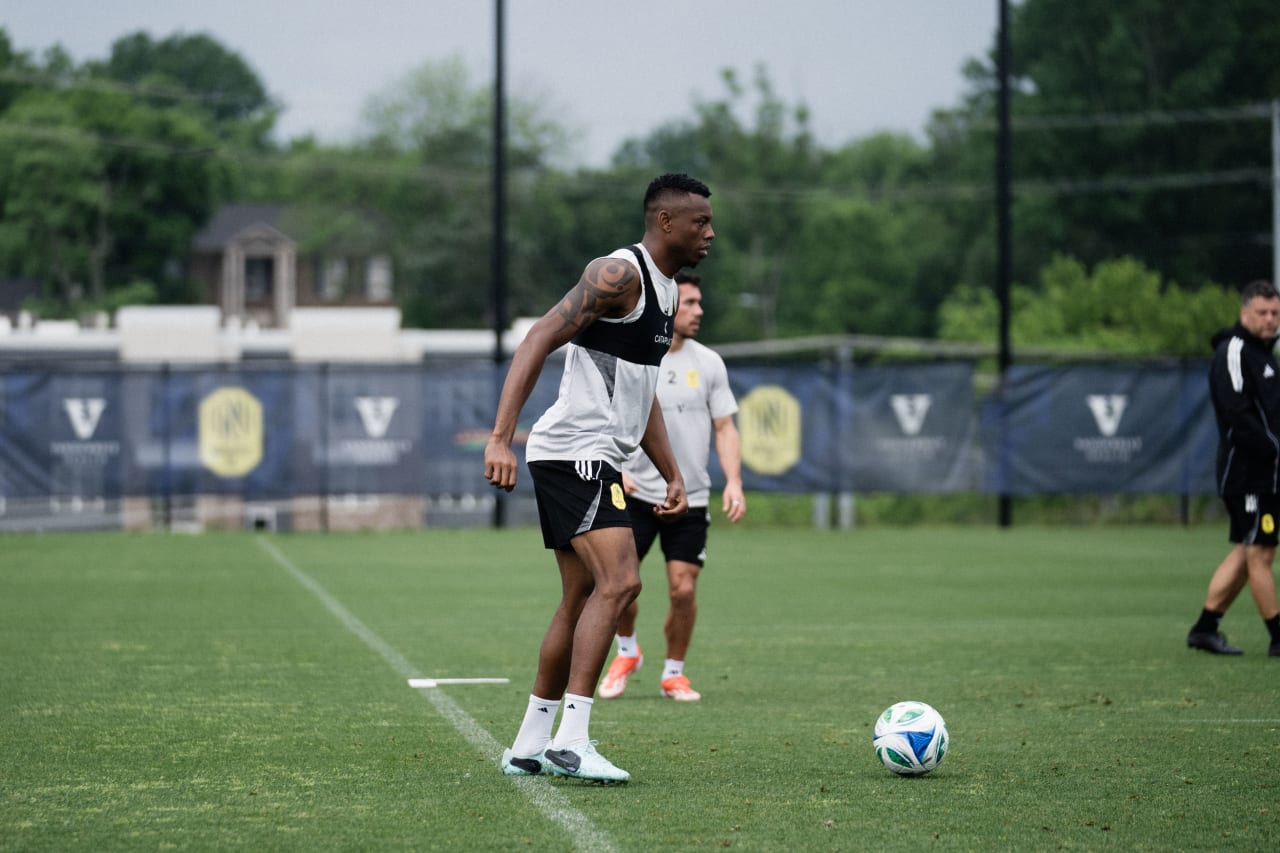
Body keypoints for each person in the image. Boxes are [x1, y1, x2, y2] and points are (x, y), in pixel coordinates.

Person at [484, 173, 715, 782]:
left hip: (594, 455)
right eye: (700, 223)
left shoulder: (665, 292)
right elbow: (538, 336)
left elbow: (643, 395)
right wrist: (501, 437)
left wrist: (673, 473)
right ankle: (573, 740)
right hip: (574, 452)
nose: (710, 233)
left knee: (583, 595)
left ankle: (531, 743)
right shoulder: (619, 274)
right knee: (622, 581)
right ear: (665, 222)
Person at [598, 271, 746, 702]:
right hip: (637, 493)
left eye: (700, 302)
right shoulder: (639, 357)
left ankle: (674, 673)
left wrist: (734, 481)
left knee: (683, 588)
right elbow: (607, 419)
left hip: (691, 499)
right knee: (620, 584)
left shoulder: (709, 362)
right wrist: (617, 468)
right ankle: (627, 652)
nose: (699, 311)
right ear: (668, 306)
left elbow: (725, 427)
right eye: (691, 303)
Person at [1186, 278, 1280, 657]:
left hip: (1266, 472)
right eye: (1262, 312)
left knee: (1248, 551)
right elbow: (1237, 414)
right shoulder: (1234, 351)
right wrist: (1273, 449)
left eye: (1275, 313)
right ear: (1245, 313)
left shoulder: (1264, 356)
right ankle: (1278, 634)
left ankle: (1205, 628)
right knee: (1261, 552)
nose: (1270, 319)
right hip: (1247, 474)